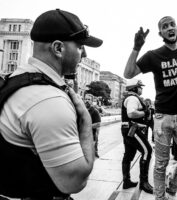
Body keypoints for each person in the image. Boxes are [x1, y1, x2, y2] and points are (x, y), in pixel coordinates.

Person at [0, 9, 102, 200]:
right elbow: (75, 181)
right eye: (79, 46)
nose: (83, 54)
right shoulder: (48, 100)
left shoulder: (15, 79)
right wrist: (86, 124)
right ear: (58, 48)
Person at [124, 16, 177, 200]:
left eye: (172, 24)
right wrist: (137, 47)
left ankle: (171, 189)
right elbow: (128, 73)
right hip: (162, 117)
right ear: (161, 33)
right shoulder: (154, 55)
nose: (170, 28)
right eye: (165, 26)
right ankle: (160, 197)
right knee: (160, 164)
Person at [121, 79, 153, 194]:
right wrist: (145, 113)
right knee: (147, 151)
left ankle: (126, 181)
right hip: (133, 129)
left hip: (128, 129)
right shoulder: (133, 98)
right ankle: (144, 182)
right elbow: (131, 113)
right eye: (140, 87)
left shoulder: (131, 98)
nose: (141, 89)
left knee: (128, 155)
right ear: (134, 88)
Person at [84, 93, 101, 158]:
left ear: (92, 101)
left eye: (89, 99)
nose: (87, 101)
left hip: (91, 136)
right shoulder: (81, 110)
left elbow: (98, 124)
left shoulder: (94, 111)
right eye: (85, 99)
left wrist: (86, 126)